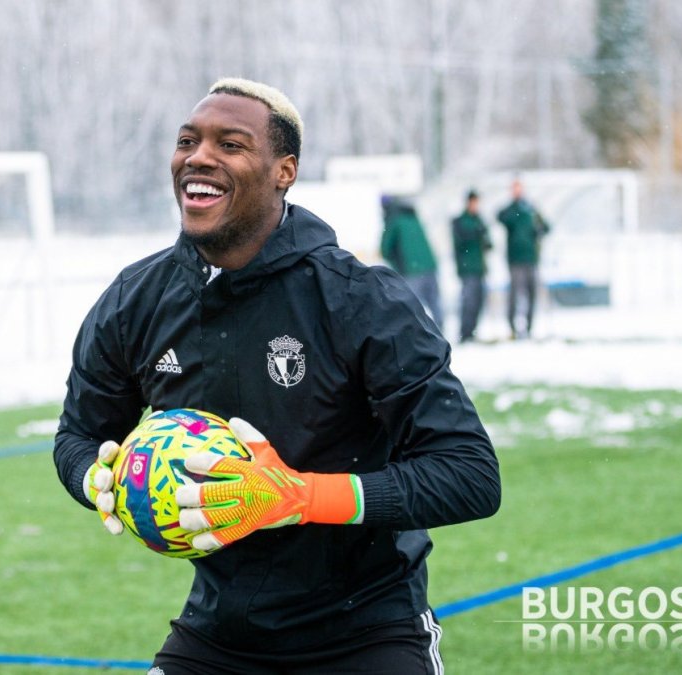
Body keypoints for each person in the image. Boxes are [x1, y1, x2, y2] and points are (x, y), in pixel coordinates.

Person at [54, 77, 500, 674]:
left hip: (366, 631)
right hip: (218, 634)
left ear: (283, 171)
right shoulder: (137, 299)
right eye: (188, 140)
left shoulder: (361, 299)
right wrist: (97, 479)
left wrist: (298, 496)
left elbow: (469, 474)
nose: (199, 157)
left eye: (230, 144)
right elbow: (77, 436)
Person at [496, 179, 551, 339]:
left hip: (531, 258)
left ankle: (529, 327)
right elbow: (500, 217)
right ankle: (512, 327)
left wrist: (538, 230)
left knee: (531, 293)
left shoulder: (531, 209)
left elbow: (546, 227)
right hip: (515, 259)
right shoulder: (510, 210)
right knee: (515, 294)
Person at [380, 195, 443, 326]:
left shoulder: (393, 220)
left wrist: (396, 264)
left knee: (411, 308)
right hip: (430, 266)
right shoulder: (413, 217)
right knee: (435, 304)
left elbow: (385, 249)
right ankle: (441, 336)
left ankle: (419, 340)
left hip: (411, 270)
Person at [451, 190, 492, 343]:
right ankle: (465, 333)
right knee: (469, 302)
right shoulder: (460, 221)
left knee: (479, 301)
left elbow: (487, 242)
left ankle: (472, 331)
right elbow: (461, 240)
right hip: (467, 268)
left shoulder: (479, 220)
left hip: (480, 267)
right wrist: (476, 233)